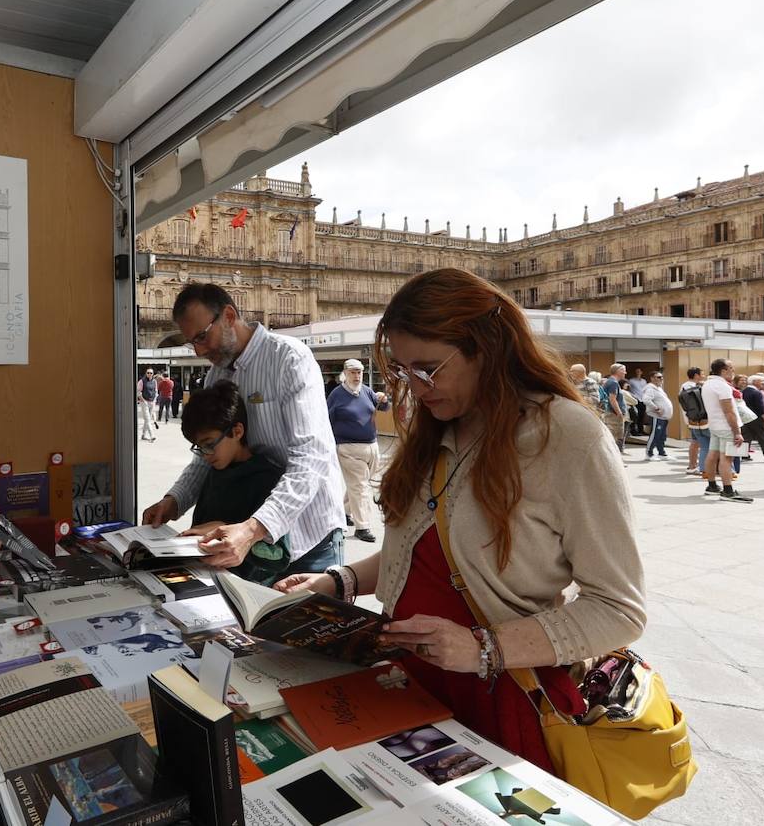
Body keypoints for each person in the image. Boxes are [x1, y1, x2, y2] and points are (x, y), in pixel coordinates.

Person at [275, 268, 644, 773]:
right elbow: (423, 552)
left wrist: (483, 648)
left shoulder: (567, 437)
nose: (415, 387)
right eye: (404, 372)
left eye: (428, 368)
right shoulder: (436, 428)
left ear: (487, 347)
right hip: (404, 684)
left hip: (500, 696)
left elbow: (619, 610)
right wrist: (339, 581)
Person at [141, 283, 345, 575]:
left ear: (228, 315)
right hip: (252, 535)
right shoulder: (217, 375)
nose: (199, 350)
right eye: (191, 343)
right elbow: (206, 451)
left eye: (202, 336)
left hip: (309, 537)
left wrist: (254, 528)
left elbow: (310, 457)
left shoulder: (289, 359)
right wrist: (175, 500)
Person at [178, 381, 288, 584]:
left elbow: (280, 556)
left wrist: (225, 529)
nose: (205, 455)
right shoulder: (215, 472)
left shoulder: (267, 478)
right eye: (199, 448)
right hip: (205, 580)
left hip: (247, 590)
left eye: (209, 445)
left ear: (237, 431)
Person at [327, 358, 391, 544]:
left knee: (358, 484)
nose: (357, 375)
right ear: (345, 374)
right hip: (348, 448)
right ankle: (363, 527)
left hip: (371, 446)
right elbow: (326, 420)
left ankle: (345, 512)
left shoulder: (366, 391)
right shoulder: (336, 395)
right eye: (353, 372)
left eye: (359, 372)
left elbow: (385, 408)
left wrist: (384, 400)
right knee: (360, 487)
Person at [698, 359, 750, 502]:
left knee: (712, 454)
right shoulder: (722, 386)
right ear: (724, 370)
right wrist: (737, 432)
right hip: (726, 426)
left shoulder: (708, 384)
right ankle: (728, 491)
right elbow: (729, 412)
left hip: (714, 425)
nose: (733, 371)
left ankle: (712, 486)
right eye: (731, 368)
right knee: (727, 458)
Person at [678, 367, 709, 478]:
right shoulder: (689, 386)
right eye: (702, 374)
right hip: (696, 420)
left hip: (694, 419)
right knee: (696, 442)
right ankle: (692, 466)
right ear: (696, 375)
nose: (704, 376)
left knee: (696, 442)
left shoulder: (688, 385)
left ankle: (693, 465)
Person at [740, 375, 764, 462]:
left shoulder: (744, 391)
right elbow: (761, 408)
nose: (762, 383)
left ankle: (743, 455)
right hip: (757, 418)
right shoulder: (756, 393)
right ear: (754, 382)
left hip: (745, 417)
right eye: (760, 381)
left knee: (746, 436)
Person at [641, 372, 672, 459]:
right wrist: (657, 409)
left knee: (662, 436)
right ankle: (649, 454)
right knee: (655, 435)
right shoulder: (650, 388)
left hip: (663, 417)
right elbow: (646, 400)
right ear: (652, 378)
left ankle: (661, 453)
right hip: (657, 416)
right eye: (659, 377)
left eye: (662, 377)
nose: (661, 379)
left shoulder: (659, 388)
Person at [601, 364, 628, 454]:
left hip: (611, 414)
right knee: (616, 438)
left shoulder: (610, 382)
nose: (625, 372)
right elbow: (612, 399)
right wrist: (619, 413)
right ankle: (616, 460)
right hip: (613, 415)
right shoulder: (613, 383)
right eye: (623, 370)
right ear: (618, 371)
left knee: (613, 437)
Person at [626, 367, 649, 435]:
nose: (638, 372)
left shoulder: (644, 381)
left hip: (642, 400)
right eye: (637, 371)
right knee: (635, 415)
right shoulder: (631, 380)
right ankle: (634, 430)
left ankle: (641, 430)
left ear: (641, 372)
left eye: (639, 371)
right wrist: (632, 395)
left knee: (641, 416)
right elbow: (628, 389)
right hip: (635, 399)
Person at [136, 368, 158, 442]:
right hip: (144, 402)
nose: (149, 374)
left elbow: (156, 391)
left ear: (153, 374)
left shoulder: (154, 381)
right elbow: (138, 392)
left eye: (151, 373)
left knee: (146, 420)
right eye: (148, 373)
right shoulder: (142, 381)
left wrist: (154, 400)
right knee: (148, 419)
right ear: (146, 373)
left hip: (152, 402)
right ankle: (152, 435)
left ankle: (143, 435)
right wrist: (143, 400)